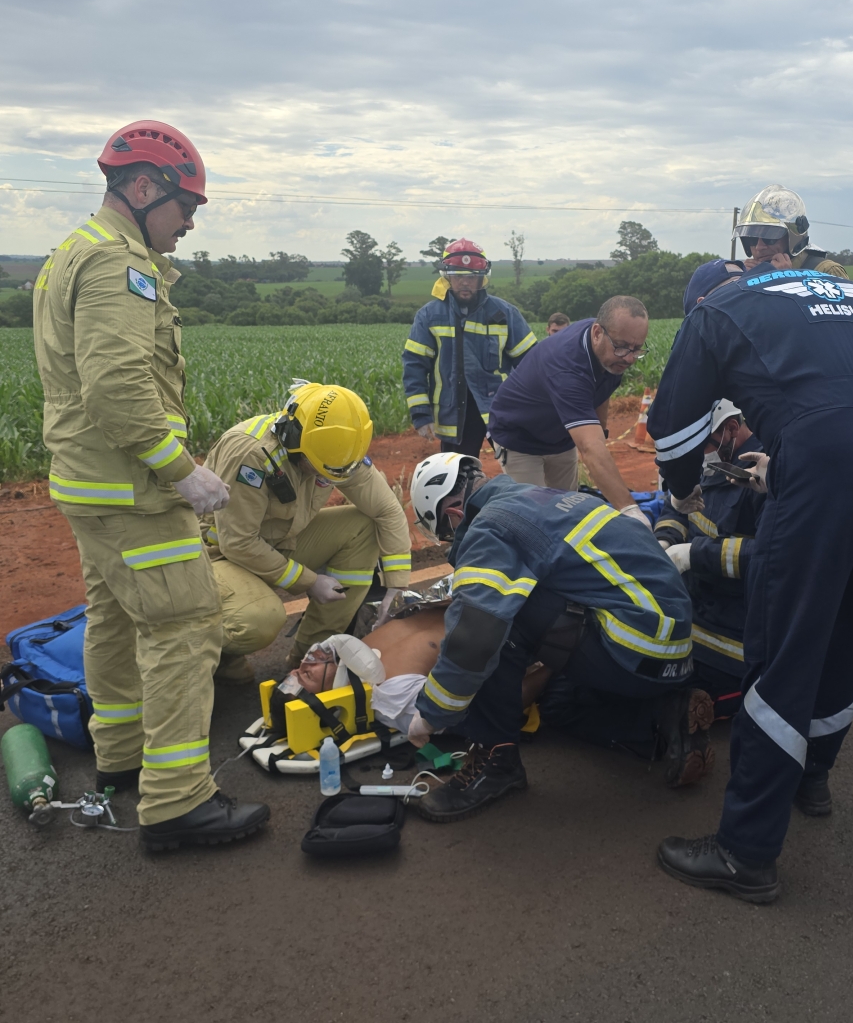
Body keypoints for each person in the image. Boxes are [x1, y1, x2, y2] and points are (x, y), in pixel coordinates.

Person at [647, 257, 853, 903]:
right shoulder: (845, 290)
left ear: (697, 300)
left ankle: (744, 850)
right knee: (848, 623)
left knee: (782, 644)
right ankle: (812, 776)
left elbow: (671, 431)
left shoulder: (713, 313)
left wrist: (685, 496)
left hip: (827, 459)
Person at [33, 120, 269, 850]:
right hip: (131, 488)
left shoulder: (69, 253)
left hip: (90, 487)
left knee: (112, 620)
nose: (191, 223)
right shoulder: (117, 264)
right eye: (185, 206)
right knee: (184, 627)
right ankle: (175, 801)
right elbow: (119, 387)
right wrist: (183, 472)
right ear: (142, 188)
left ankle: (125, 755)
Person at [404, 452, 699, 820]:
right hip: (671, 650)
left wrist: (432, 713)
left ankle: (498, 762)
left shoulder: (491, 526)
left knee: (499, 615)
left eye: (449, 535)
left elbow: (476, 636)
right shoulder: (543, 497)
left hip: (635, 647)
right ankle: (660, 718)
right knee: (557, 702)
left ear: (453, 516)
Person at [200, 382, 413, 678]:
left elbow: (386, 510)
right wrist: (310, 581)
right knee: (258, 620)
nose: (330, 477)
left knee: (363, 527)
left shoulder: (336, 450)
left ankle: (310, 656)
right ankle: (218, 656)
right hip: (222, 555)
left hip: (280, 541)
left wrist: (397, 586)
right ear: (296, 442)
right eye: (320, 468)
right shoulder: (251, 456)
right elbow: (238, 543)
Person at [487, 296, 652, 522]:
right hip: (519, 437)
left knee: (567, 510)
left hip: (561, 435)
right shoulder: (567, 368)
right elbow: (589, 447)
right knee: (535, 517)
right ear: (597, 333)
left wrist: (600, 434)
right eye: (624, 348)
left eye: (637, 349)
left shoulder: (613, 348)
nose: (631, 358)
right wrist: (630, 511)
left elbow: (601, 392)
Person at [653, 402, 766, 722]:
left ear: (731, 429)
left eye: (702, 448)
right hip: (697, 609)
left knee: (681, 698)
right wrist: (666, 541)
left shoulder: (766, 474)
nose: (697, 457)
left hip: (739, 633)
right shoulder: (708, 455)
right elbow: (678, 509)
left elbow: (773, 556)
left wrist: (693, 554)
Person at [402, 238, 536, 458]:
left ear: (482, 279)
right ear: (447, 277)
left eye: (471, 277)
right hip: (453, 413)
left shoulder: (504, 314)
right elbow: (414, 366)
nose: (465, 282)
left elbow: (531, 363)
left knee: (519, 469)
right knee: (458, 477)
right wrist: (420, 414)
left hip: (500, 408)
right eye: (458, 276)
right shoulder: (429, 316)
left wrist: (532, 408)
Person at [733, 185, 847, 277]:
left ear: (793, 238)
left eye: (769, 237)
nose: (759, 247)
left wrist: (784, 279)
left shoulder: (826, 272)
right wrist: (742, 282)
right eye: (752, 240)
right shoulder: (747, 275)